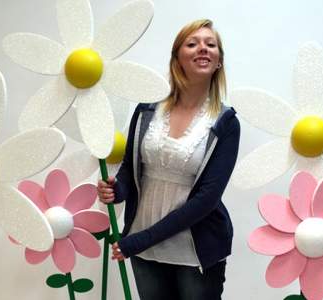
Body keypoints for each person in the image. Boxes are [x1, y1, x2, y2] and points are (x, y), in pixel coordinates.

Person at [97, 19, 240, 300]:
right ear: (177, 58)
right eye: (192, 43)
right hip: (143, 247)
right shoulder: (147, 111)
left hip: (193, 252)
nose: (203, 48)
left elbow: (207, 198)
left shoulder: (225, 122)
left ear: (219, 61)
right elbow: (131, 168)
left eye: (210, 44)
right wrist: (117, 190)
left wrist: (142, 239)